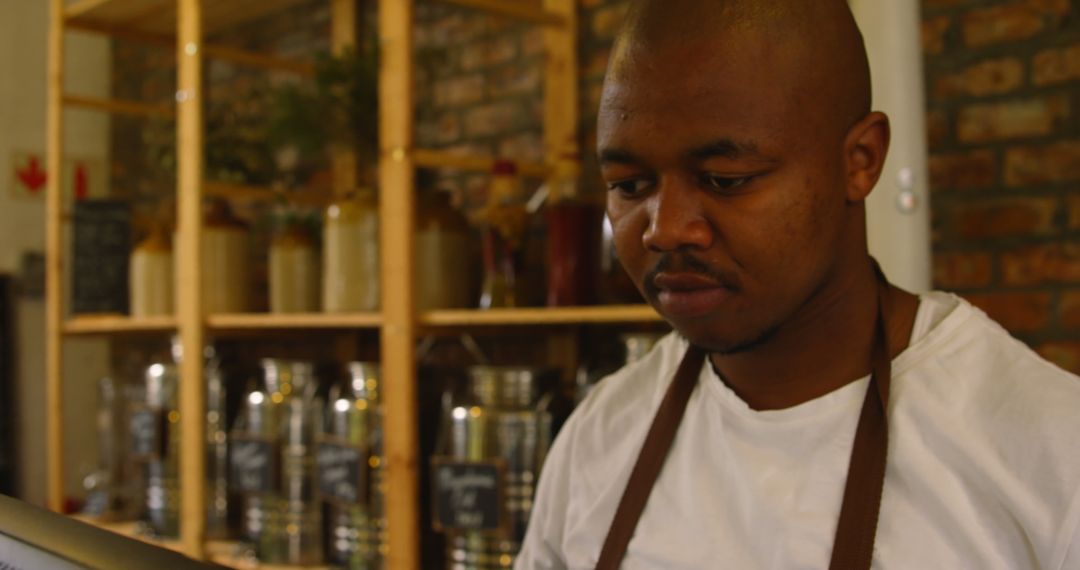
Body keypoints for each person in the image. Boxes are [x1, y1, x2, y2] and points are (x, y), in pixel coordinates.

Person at [515, 0, 1080, 568]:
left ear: (860, 161)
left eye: (725, 180)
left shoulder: (1048, 457)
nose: (664, 230)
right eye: (631, 185)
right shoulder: (599, 439)